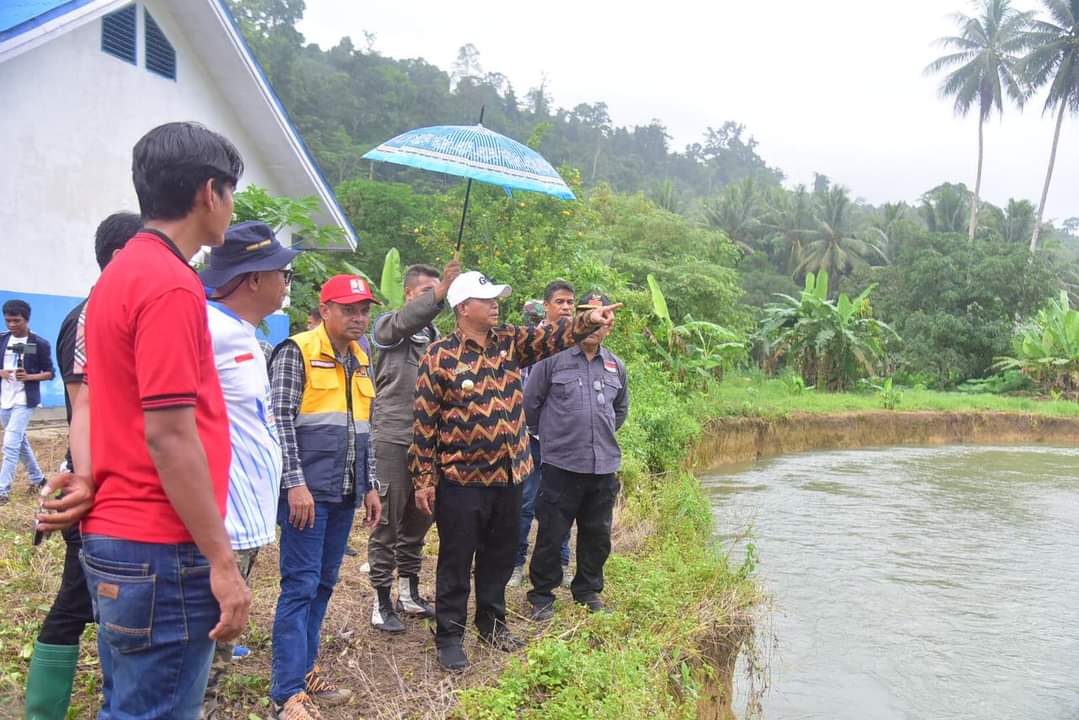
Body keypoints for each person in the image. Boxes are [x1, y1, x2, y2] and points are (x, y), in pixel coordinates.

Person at [41, 121, 252, 719]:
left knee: (128, 706)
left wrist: (90, 473)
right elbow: (168, 432)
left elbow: (101, 402)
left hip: (118, 532)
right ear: (209, 192)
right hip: (161, 544)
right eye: (231, 193)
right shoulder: (171, 285)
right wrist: (222, 560)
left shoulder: (117, 277)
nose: (230, 208)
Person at [410, 270, 620, 671]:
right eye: (486, 300)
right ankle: (450, 634)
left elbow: (553, 338)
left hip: (510, 475)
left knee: (500, 555)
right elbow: (424, 423)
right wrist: (423, 479)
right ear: (463, 307)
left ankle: (492, 622)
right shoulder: (439, 356)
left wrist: (587, 321)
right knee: (456, 559)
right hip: (461, 479)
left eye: (496, 300)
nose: (495, 305)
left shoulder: (508, 341)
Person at [23, 212, 141, 720]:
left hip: (109, 481)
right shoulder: (88, 316)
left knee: (96, 603)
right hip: (92, 482)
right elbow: (85, 408)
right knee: (78, 599)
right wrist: (88, 480)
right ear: (120, 257)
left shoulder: (116, 312)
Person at [269, 274, 382, 719]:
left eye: (364, 310)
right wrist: (294, 483)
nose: (358, 318)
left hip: (344, 492)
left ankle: (306, 669)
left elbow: (364, 430)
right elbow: (279, 423)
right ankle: (286, 691)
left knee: (323, 584)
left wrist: (370, 485)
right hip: (306, 495)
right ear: (326, 310)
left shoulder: (361, 357)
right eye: (349, 309)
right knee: (299, 586)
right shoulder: (296, 352)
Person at [198, 221, 299, 718]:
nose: (287, 283)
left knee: (215, 646)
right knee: (203, 647)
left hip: (245, 519)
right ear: (254, 278)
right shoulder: (205, 329)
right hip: (221, 520)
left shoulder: (242, 334)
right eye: (285, 273)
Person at [367, 260, 460, 633]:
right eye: (426, 292)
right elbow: (404, 322)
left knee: (419, 522)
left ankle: (408, 591)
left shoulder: (436, 339)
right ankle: (380, 601)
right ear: (409, 295)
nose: (435, 298)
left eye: (438, 292)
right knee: (386, 523)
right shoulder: (389, 328)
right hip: (391, 437)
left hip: (428, 444)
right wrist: (437, 296)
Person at [525, 290, 629, 619]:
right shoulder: (552, 358)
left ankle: (588, 591)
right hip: (561, 465)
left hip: (602, 467)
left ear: (610, 325)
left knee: (597, 534)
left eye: (604, 318)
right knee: (552, 533)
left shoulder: (615, 366)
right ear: (578, 319)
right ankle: (542, 594)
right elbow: (530, 404)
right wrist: (555, 438)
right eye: (590, 315)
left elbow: (620, 411)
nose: (598, 324)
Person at [508, 282, 576, 588]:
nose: (565, 307)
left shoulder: (578, 342)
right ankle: (516, 564)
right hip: (530, 438)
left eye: (570, 302)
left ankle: (560, 562)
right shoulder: (528, 341)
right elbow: (522, 394)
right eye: (559, 302)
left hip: (564, 442)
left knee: (562, 504)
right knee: (525, 502)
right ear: (546, 305)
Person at [0, 299, 54, 501]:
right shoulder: (2, 340)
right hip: (5, 399)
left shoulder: (38, 343)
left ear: (26, 319)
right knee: (20, 442)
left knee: (10, 443)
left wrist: (29, 377)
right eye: (8, 320)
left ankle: (2, 490)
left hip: (25, 399)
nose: (11, 324)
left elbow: (49, 373)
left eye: (16, 320)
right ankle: (38, 478)